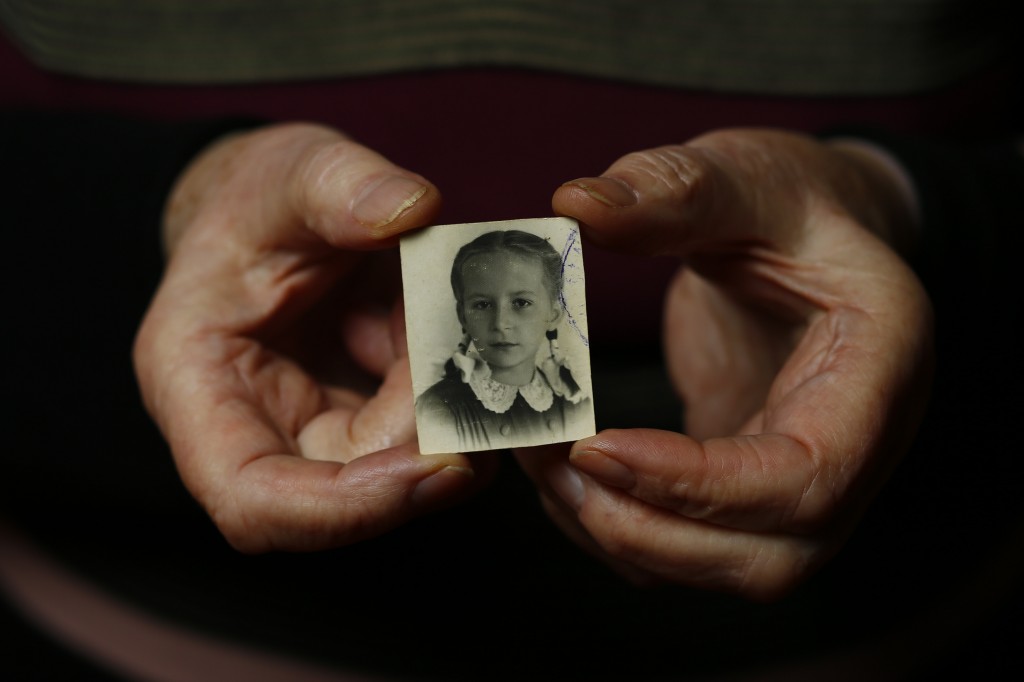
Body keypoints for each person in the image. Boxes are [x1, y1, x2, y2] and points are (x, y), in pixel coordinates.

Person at [1, 1, 1021, 680]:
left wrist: (904, 212)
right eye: (477, 308)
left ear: (552, 315)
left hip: (884, 617)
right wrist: (176, 209)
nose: (494, 326)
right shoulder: (443, 379)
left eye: (518, 308)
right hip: (143, 620)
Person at [414, 228, 592, 452]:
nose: (500, 323)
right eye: (482, 305)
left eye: (521, 303)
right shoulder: (439, 408)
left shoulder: (574, 404)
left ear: (553, 315)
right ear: (463, 316)